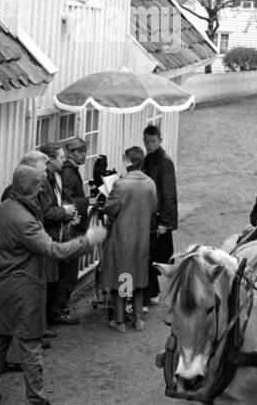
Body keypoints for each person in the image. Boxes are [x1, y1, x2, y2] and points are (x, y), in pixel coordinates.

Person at [0, 164, 106, 405]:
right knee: (31, 344)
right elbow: (53, 251)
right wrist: (88, 240)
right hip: (21, 290)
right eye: (40, 185)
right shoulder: (24, 219)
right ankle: (37, 403)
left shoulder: (4, 209)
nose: (43, 190)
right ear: (31, 189)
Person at [98, 147, 157, 331]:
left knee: (124, 276)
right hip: (142, 236)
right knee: (138, 276)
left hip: (123, 236)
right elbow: (154, 206)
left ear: (127, 161)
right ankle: (138, 318)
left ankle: (120, 319)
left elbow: (110, 208)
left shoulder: (122, 184)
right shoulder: (150, 183)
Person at [38, 141, 80, 324]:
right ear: (49, 160)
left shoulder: (57, 177)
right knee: (51, 280)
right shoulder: (45, 181)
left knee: (57, 278)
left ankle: (53, 314)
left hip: (59, 233)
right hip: (51, 237)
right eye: (61, 157)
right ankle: (50, 316)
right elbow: (46, 211)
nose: (65, 160)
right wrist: (65, 212)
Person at [56, 135, 92, 319]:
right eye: (81, 152)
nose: (85, 155)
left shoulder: (70, 171)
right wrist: (87, 201)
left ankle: (61, 308)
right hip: (71, 229)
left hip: (71, 227)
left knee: (68, 271)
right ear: (70, 153)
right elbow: (67, 201)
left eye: (85, 151)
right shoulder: (69, 173)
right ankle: (60, 310)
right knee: (68, 273)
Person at [141, 124, 177, 300]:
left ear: (160, 140)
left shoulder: (164, 161)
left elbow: (169, 193)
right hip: (151, 215)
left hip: (158, 217)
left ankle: (149, 293)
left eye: (153, 141)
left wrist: (164, 221)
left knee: (154, 255)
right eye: (146, 141)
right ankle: (152, 291)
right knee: (150, 253)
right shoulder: (148, 159)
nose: (149, 144)